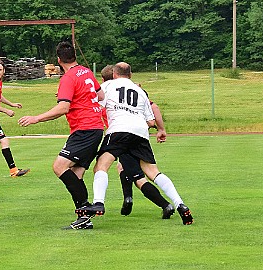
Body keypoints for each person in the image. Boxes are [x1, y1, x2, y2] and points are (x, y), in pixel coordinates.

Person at [77, 62, 193, 226]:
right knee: (153, 172)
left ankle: (98, 203)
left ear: (115, 74)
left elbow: (94, 104)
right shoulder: (140, 91)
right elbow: (151, 120)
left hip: (118, 129)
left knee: (101, 166)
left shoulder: (108, 85)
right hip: (140, 132)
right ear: (130, 75)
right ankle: (180, 204)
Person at [18, 41, 104, 230]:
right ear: (75, 56)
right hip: (96, 127)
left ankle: (85, 208)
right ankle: (84, 219)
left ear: (58, 60)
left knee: (59, 166)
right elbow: (100, 95)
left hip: (84, 129)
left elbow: (63, 107)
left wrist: (36, 118)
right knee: (76, 173)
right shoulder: (86, 71)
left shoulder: (68, 78)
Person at [100, 65, 174, 219]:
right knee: (123, 167)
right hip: (135, 135)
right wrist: (160, 128)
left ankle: (164, 204)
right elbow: (154, 108)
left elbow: (154, 108)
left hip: (122, 135)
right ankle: (128, 198)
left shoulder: (106, 90)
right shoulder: (134, 89)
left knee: (139, 177)